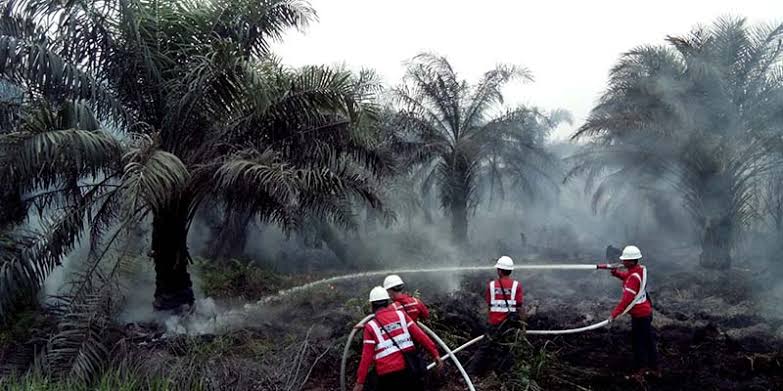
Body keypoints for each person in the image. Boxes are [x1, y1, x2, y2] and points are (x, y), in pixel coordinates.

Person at [354, 287, 443, 391]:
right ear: (388, 302)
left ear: (372, 305)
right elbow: (420, 336)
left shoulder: (371, 327)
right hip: (410, 369)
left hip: (388, 376)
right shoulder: (401, 316)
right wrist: (435, 354)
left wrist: (360, 382)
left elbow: (366, 357)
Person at [467, 255, 525, 375]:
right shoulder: (516, 286)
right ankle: (505, 374)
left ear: (499, 270)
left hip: (493, 325)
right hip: (509, 325)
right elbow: (519, 307)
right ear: (510, 270)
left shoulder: (491, 286)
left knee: (484, 349)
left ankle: (471, 374)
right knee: (507, 349)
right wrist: (523, 325)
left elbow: (489, 305)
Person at [606, 245, 658, 380]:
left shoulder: (633, 277)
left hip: (641, 316)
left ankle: (641, 370)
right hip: (645, 313)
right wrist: (616, 273)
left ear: (632, 261)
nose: (622, 262)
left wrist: (613, 314)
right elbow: (629, 277)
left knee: (639, 343)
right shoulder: (639, 270)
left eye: (625, 260)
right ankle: (654, 368)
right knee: (648, 341)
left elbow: (626, 301)